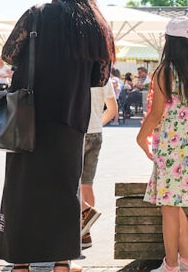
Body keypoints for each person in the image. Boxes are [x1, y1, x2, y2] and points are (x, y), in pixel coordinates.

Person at [0, 0, 115, 272]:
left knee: (22, 188)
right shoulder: (96, 25)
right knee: (65, 189)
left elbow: (8, 54)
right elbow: (99, 78)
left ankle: (21, 263)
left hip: (29, 115)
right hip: (70, 116)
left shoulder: (37, 14)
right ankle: (62, 263)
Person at [137, 17, 188, 272]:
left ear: (170, 42)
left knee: (168, 207)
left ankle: (171, 266)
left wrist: (140, 137)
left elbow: (156, 113)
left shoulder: (165, 70)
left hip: (172, 146)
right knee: (174, 203)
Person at [79, 68, 119, 249]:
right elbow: (112, 110)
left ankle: (81, 223)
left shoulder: (75, 74)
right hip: (96, 133)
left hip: (76, 132)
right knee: (87, 184)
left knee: (70, 183)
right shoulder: (104, 77)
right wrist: (97, 123)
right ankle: (85, 233)